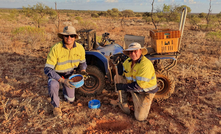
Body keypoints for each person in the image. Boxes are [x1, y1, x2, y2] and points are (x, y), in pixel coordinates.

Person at [44, 26, 87, 118]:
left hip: (69, 75)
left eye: (72, 36)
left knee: (70, 100)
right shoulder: (56, 48)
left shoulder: (80, 48)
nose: (69, 38)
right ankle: (56, 106)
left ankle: (64, 90)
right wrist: (62, 80)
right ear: (63, 37)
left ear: (75, 37)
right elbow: (47, 69)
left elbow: (83, 62)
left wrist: (83, 70)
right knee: (53, 85)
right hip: (56, 75)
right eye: (66, 36)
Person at [115, 42, 159, 121]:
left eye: (135, 51)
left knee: (140, 118)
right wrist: (118, 65)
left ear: (140, 51)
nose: (133, 53)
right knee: (117, 77)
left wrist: (123, 87)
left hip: (145, 92)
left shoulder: (145, 64)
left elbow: (139, 86)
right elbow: (122, 73)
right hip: (134, 88)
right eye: (131, 51)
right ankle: (123, 101)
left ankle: (140, 100)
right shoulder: (128, 61)